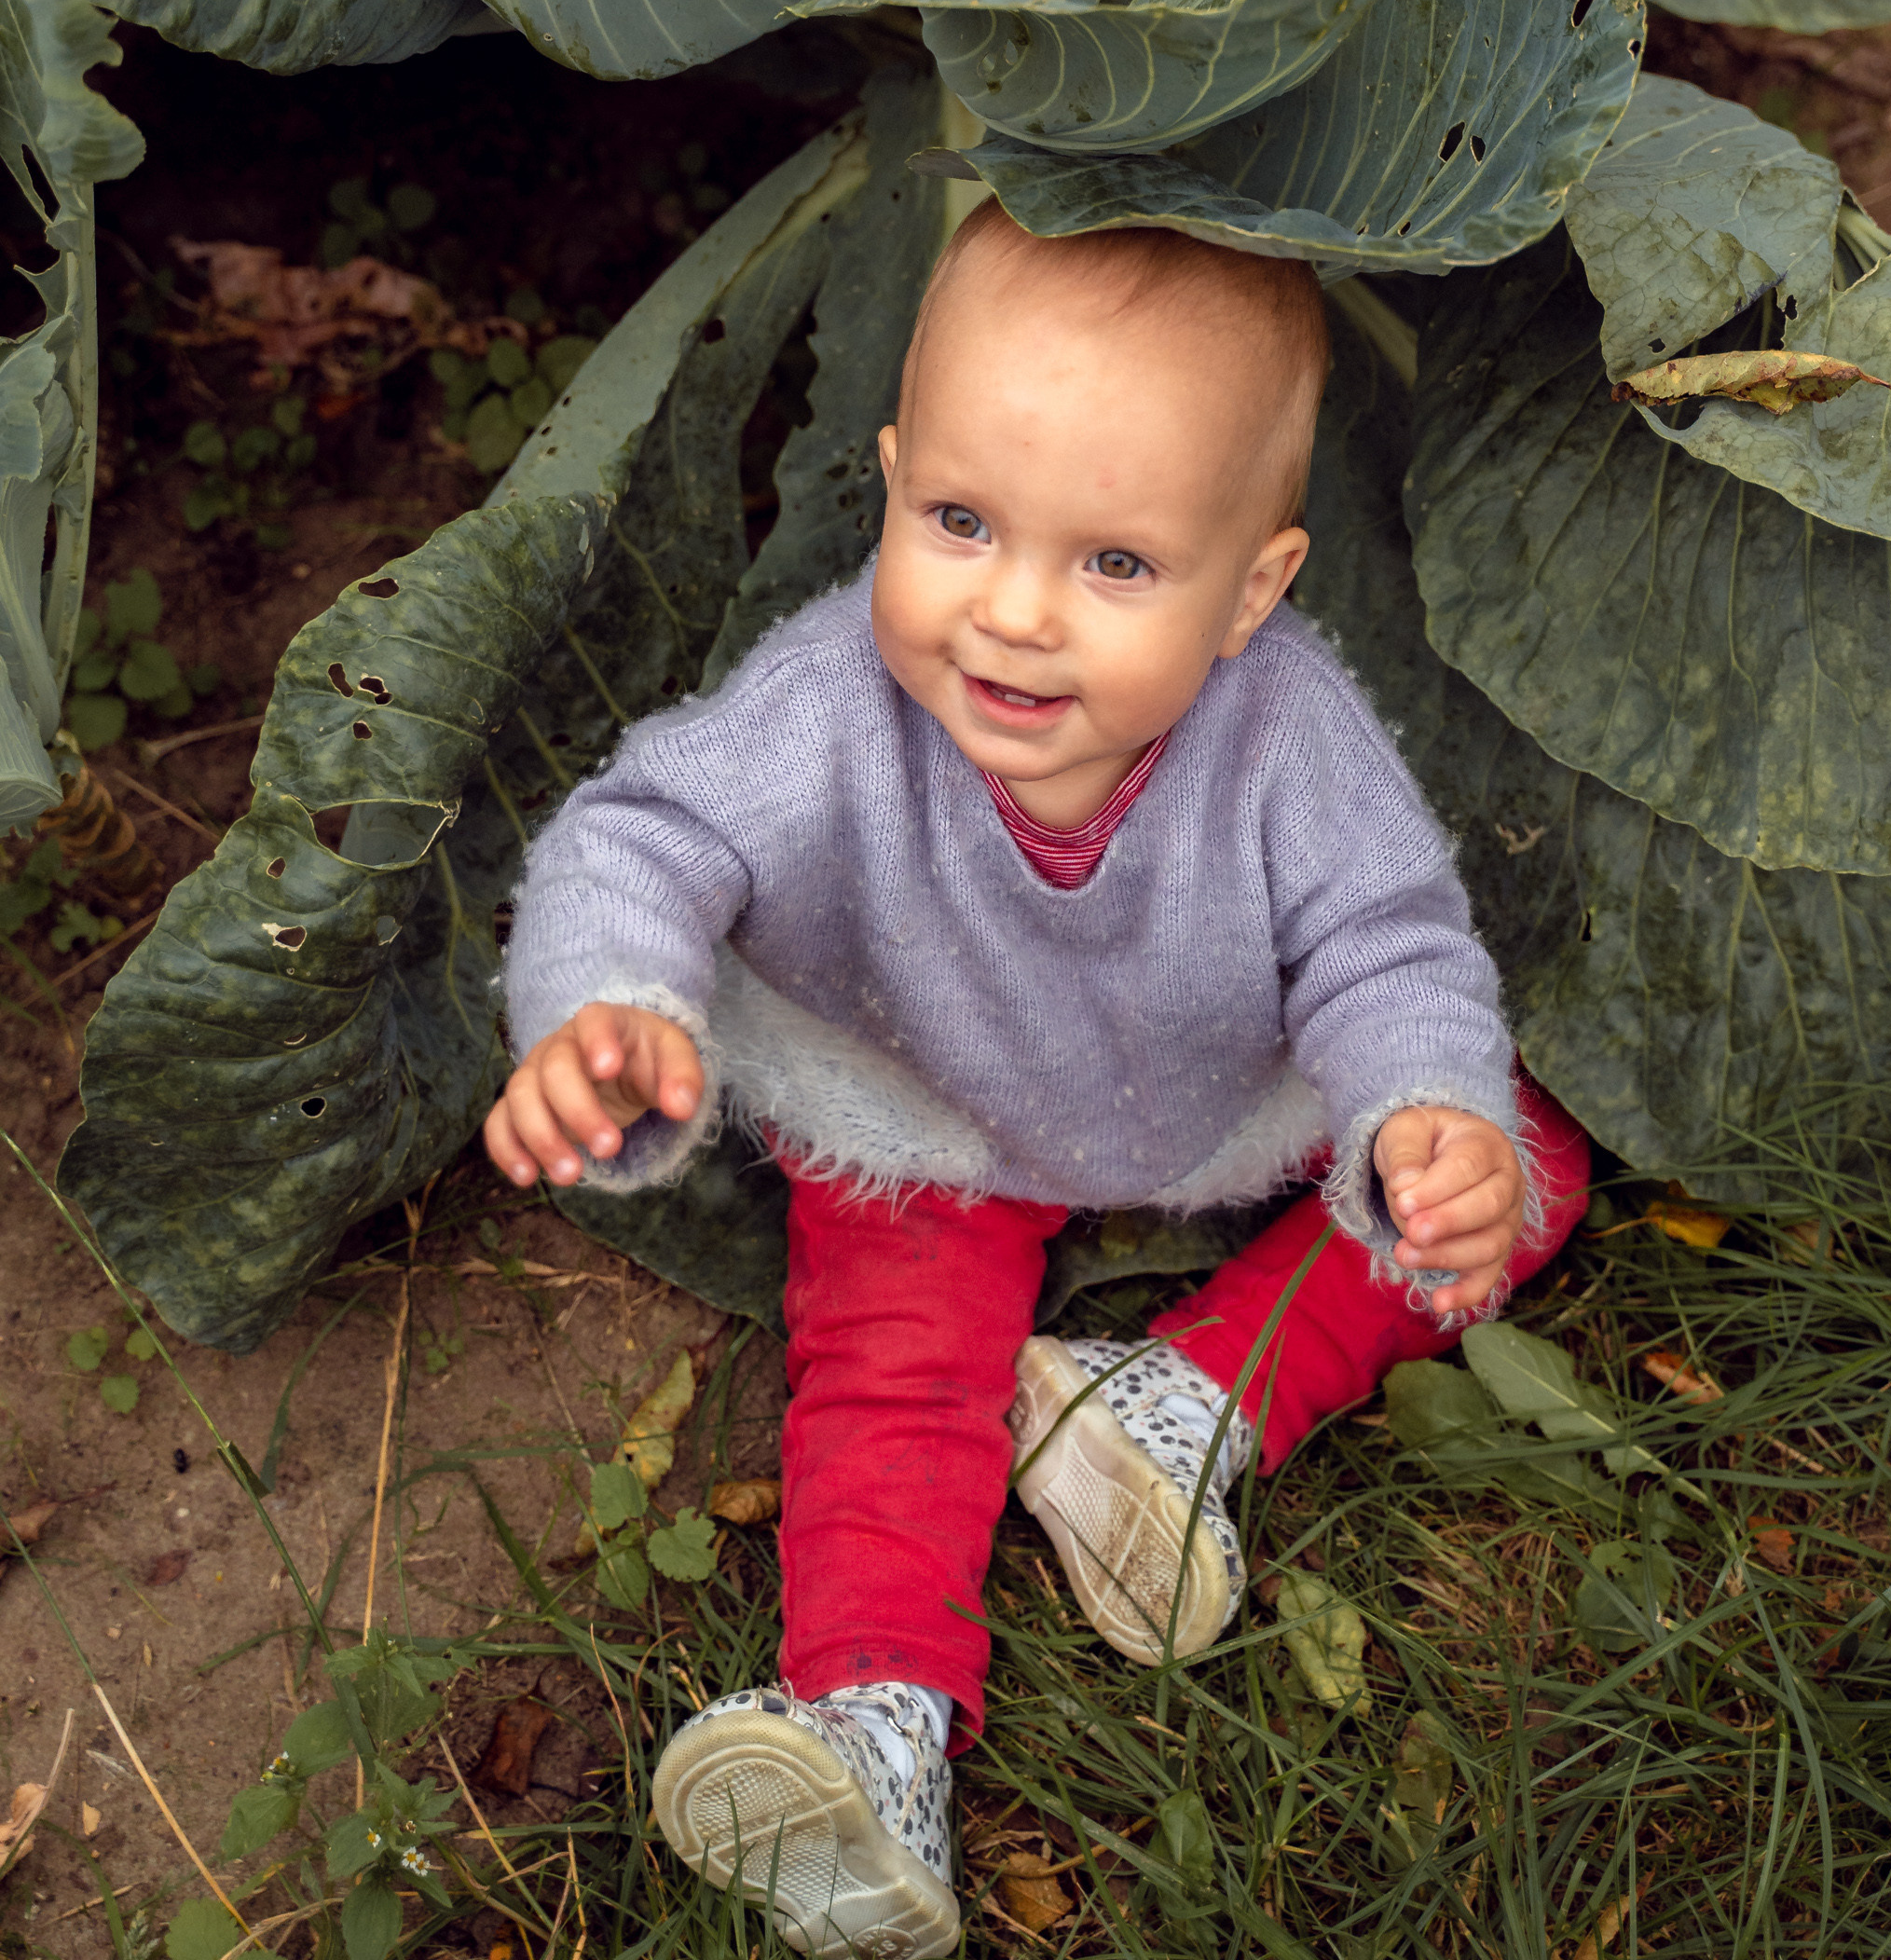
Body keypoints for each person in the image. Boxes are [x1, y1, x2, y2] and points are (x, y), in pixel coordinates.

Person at [486, 199, 1589, 1959]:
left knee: (1512, 1154)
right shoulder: (835, 694)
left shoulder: (1293, 739)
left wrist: (1421, 1114)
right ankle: (871, 1728)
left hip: (1212, 1093)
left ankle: (1179, 1405)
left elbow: (1391, 948)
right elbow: (652, 830)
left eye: (1117, 566)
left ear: (1255, 592)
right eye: (962, 521)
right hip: (927, 1107)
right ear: (893, 474)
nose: (1009, 614)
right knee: (892, 1372)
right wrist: (607, 1003)